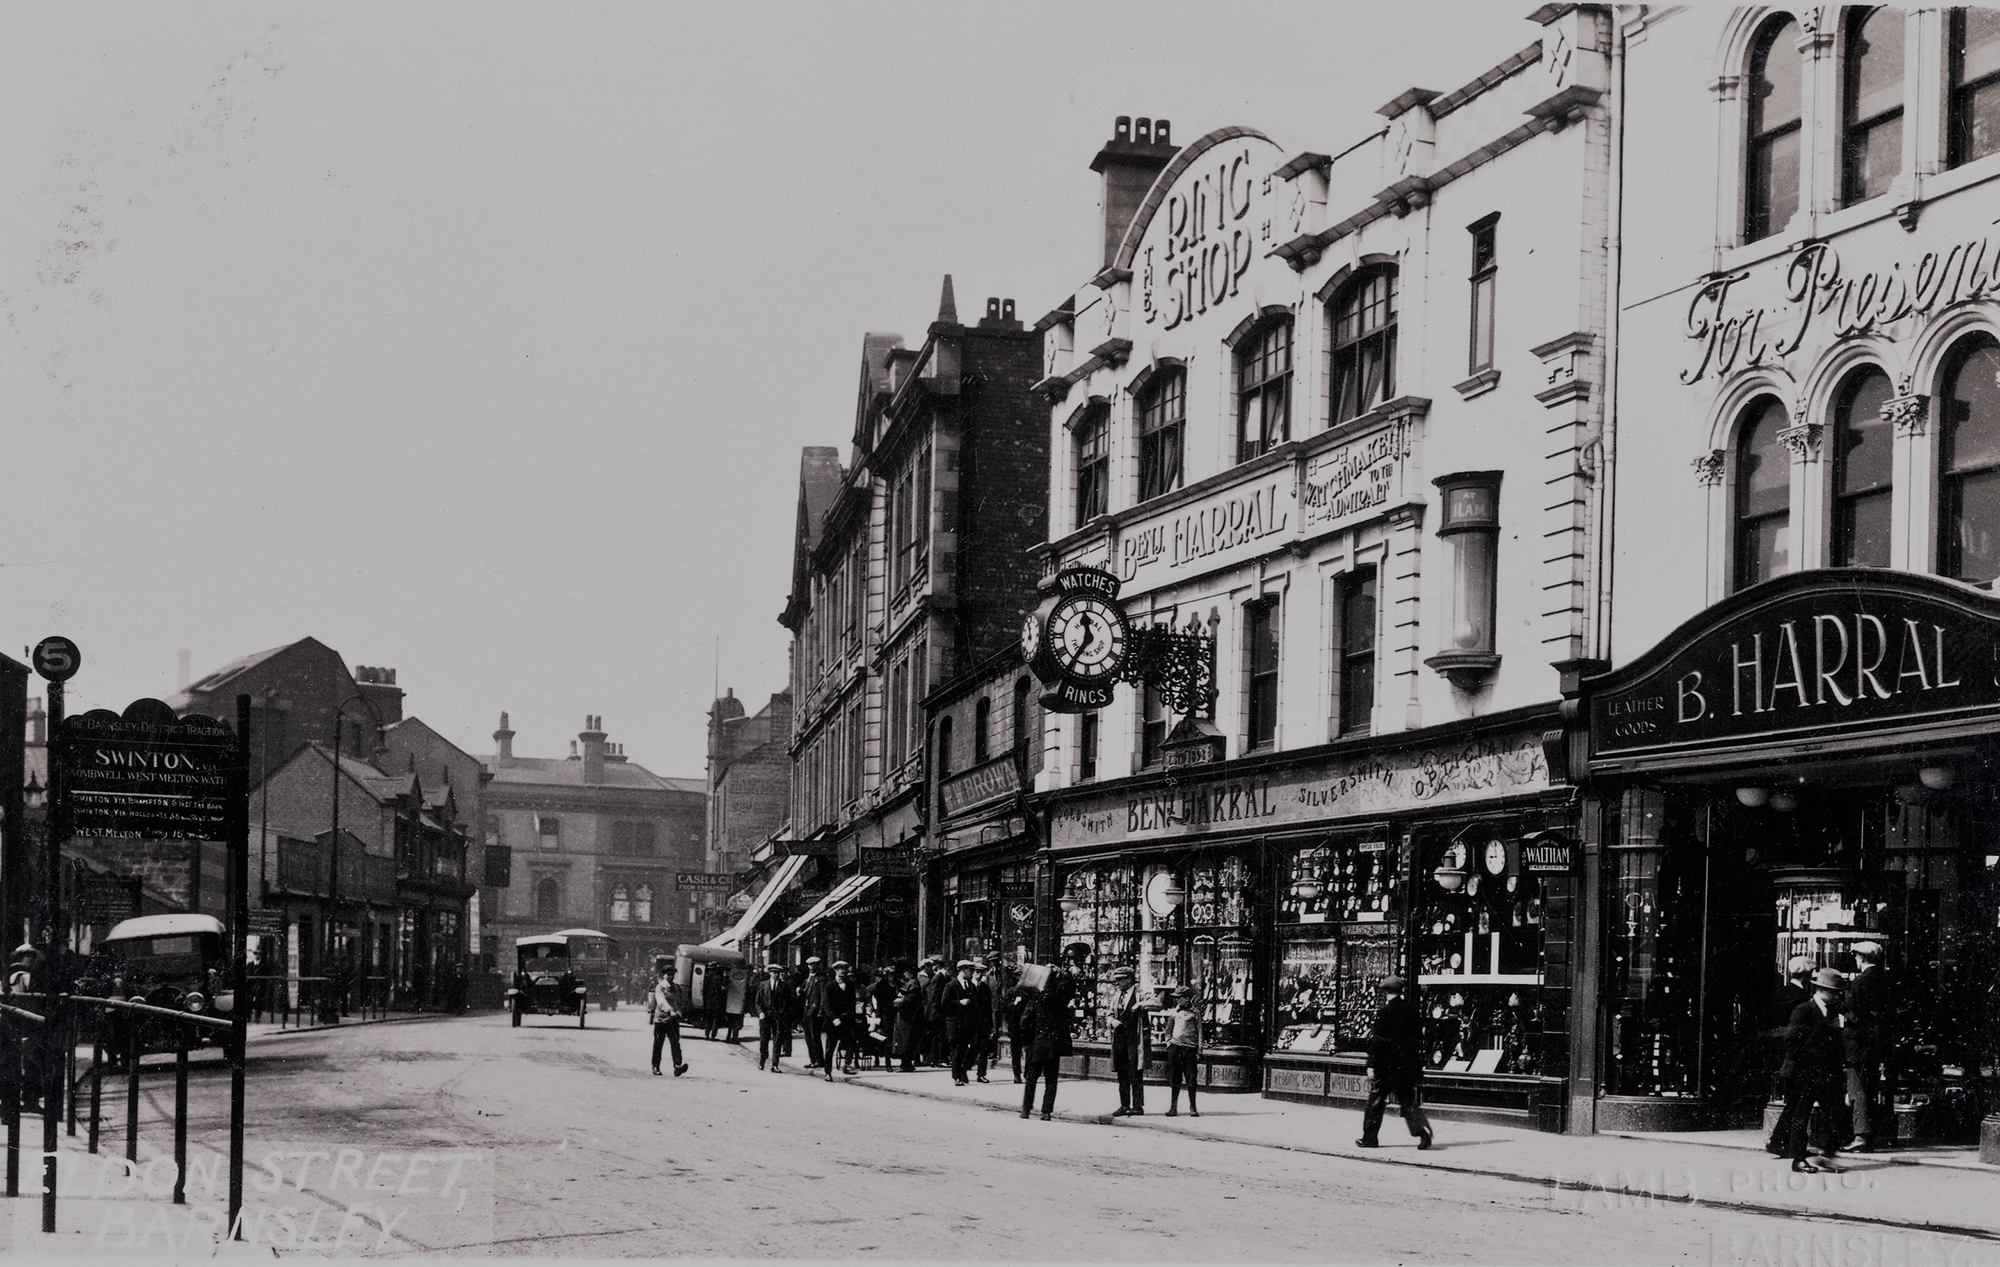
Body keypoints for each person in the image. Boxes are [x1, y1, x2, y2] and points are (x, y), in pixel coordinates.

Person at [1782, 967, 1849, 1173]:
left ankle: (1827, 1155)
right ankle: (1798, 1159)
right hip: (1804, 1073)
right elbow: (1792, 1043)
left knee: (1835, 1113)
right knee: (1801, 1115)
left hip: (1826, 1073)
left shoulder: (1833, 1013)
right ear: (1822, 990)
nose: (1837, 995)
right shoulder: (1803, 1010)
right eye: (1834, 991)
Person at [1356, 976, 1434, 1150]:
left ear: (1385, 992)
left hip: (1385, 1066)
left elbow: (1378, 1041)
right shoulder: (1411, 1010)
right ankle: (1422, 1134)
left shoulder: (1384, 1013)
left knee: (1376, 1102)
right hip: (1405, 1066)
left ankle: (1369, 1138)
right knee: (1408, 1102)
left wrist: (1371, 1064)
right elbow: (1417, 1039)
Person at [1021, 945, 1085, 1120]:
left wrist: (1028, 1042)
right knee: (1051, 1080)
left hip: (1037, 1044)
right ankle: (1046, 1112)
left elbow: (1025, 1022)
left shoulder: (1036, 1000)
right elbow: (1069, 991)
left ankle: (1026, 1110)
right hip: (1053, 1045)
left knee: (1031, 1079)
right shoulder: (1060, 1002)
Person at [1764, 956, 1814, 1155]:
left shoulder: (1782, 993)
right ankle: (1782, 1142)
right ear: (1806, 976)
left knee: (1794, 1101)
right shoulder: (1799, 999)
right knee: (1797, 1101)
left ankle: (1780, 1141)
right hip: (1795, 1056)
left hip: (1785, 1055)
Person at [1845, 942, 1890, 1152]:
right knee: (1871, 1087)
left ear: (1861, 958)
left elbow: (1854, 1014)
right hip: (1879, 1041)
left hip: (1860, 1042)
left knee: (1858, 1088)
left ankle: (1861, 1135)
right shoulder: (1885, 980)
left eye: (1856, 956)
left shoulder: (1859, 983)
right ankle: (1873, 1134)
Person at [1107, 966, 1149, 1116]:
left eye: (1120, 980)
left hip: (1134, 1039)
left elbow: (1158, 1003)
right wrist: (1112, 1021)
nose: (1117, 983)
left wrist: (1141, 1004)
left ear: (1129, 979)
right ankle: (1124, 1104)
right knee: (1121, 1072)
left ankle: (1137, 1106)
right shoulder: (1117, 996)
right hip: (1120, 1039)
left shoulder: (1140, 994)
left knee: (1135, 1072)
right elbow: (1109, 1013)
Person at [1160, 986, 1202, 1117]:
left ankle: (1193, 1107)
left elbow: (1200, 1032)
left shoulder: (1195, 1013)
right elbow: (1168, 1030)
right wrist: (1169, 1043)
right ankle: (1173, 1107)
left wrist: (1199, 1050)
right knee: (1174, 1078)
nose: (1177, 1000)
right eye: (1176, 998)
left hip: (1190, 1049)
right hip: (1175, 1048)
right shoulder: (1174, 1012)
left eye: (1179, 998)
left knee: (1191, 1079)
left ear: (1187, 998)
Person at [646, 963, 689, 1077]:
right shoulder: (660, 987)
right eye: (668, 975)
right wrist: (670, 1011)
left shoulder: (677, 988)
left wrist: (679, 1012)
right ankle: (656, 1066)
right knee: (658, 1044)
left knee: (675, 1043)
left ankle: (677, 1066)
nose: (671, 977)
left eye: (672, 975)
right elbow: (661, 1002)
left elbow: (679, 1002)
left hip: (673, 1020)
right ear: (663, 975)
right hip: (661, 1019)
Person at [945, 960, 982, 1085]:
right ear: (962, 970)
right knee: (958, 1051)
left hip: (968, 1024)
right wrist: (959, 1003)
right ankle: (957, 1076)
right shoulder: (951, 986)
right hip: (956, 1024)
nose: (972, 973)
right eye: (970, 970)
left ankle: (963, 1070)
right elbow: (944, 1004)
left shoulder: (971, 986)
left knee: (971, 1049)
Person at [823, 960, 860, 1080]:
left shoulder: (850, 985)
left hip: (846, 1020)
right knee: (830, 1047)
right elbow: (827, 1006)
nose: (842, 972)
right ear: (835, 971)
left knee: (851, 1041)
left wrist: (849, 1015)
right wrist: (834, 1018)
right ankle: (828, 1072)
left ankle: (846, 1064)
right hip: (833, 1022)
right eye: (840, 969)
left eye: (844, 969)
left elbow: (852, 1003)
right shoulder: (829, 986)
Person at [755, 962, 794, 1072]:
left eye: (777, 973)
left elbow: (788, 1001)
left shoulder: (784, 986)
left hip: (778, 1016)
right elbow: (758, 1001)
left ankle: (775, 1065)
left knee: (777, 1040)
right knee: (764, 1040)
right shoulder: (763, 985)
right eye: (773, 972)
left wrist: (783, 1012)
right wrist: (760, 1013)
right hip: (765, 1016)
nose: (775, 975)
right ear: (770, 973)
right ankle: (762, 1060)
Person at [892, 968, 924, 1072]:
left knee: (906, 1041)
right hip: (904, 1017)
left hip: (908, 1017)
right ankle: (905, 1063)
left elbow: (911, 999)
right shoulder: (909, 983)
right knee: (903, 1041)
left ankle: (906, 1064)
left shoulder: (913, 983)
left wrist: (901, 1000)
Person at [800, 957, 828, 1071]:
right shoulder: (809, 978)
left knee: (814, 1035)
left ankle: (819, 1060)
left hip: (814, 1010)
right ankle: (813, 1060)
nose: (811, 967)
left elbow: (822, 995)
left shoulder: (821, 978)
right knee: (808, 1036)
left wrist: (821, 1010)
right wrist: (800, 990)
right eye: (809, 965)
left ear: (817, 965)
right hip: (806, 1010)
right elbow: (806, 990)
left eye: (813, 965)